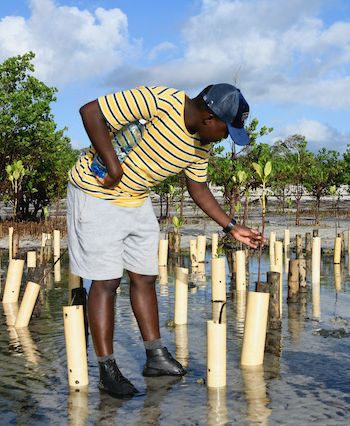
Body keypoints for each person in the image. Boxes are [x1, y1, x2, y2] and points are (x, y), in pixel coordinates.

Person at [66, 83, 265, 398]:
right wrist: (113, 165)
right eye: (229, 130)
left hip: (136, 199)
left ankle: (155, 356)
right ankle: (107, 370)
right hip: (97, 193)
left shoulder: (201, 144)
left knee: (144, 276)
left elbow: (197, 189)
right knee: (106, 281)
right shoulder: (160, 100)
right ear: (210, 117)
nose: (228, 139)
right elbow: (91, 112)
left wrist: (231, 227)